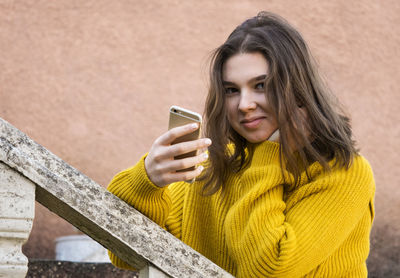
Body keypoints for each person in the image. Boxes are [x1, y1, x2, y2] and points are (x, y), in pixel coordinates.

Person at [107, 11, 375, 277]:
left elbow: (268, 270)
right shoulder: (215, 168)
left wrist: (271, 156)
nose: (245, 105)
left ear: (298, 88)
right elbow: (122, 256)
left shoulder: (344, 173)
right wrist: (146, 181)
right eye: (231, 90)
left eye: (261, 85)